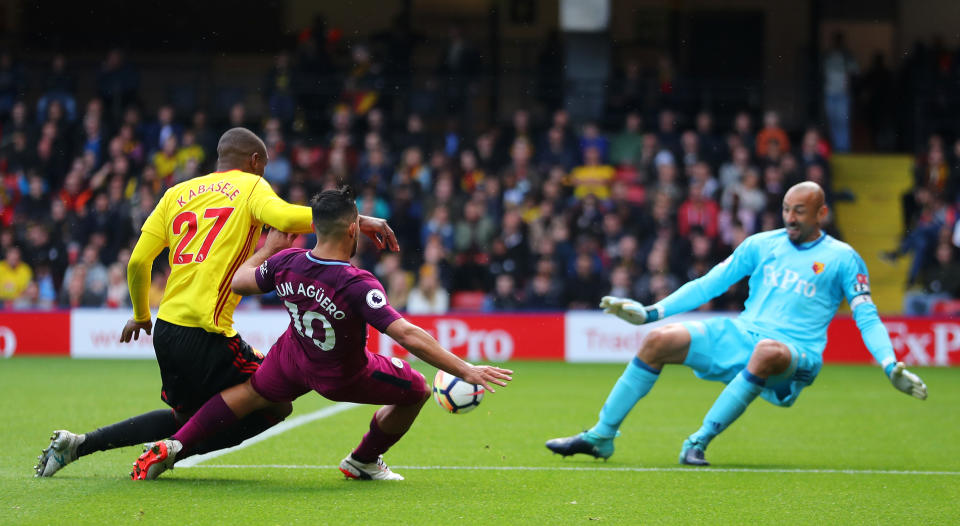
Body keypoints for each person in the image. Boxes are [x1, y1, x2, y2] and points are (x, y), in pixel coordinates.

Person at [35, 128, 399, 477]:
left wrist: (140, 314)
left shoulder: (176, 193)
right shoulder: (251, 186)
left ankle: (79, 445)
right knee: (273, 399)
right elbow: (287, 218)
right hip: (207, 334)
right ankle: (172, 450)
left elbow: (137, 262)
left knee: (188, 418)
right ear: (255, 160)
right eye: (265, 166)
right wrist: (358, 220)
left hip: (167, 331)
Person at [131, 187, 512, 480]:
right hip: (341, 375)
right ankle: (362, 461)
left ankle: (174, 444)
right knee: (418, 390)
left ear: (314, 227)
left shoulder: (287, 262)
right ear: (352, 230)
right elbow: (408, 335)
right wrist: (465, 369)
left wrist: (267, 249)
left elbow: (241, 282)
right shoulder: (357, 283)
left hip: (292, 359)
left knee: (248, 394)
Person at [546, 181, 927, 466]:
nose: (790, 218)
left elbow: (867, 315)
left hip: (797, 353)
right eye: (786, 209)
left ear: (821, 214)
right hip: (743, 334)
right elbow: (710, 283)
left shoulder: (844, 259)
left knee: (766, 351)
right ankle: (600, 436)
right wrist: (651, 313)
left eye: (799, 211)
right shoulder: (761, 244)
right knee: (657, 341)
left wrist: (889, 363)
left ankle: (697, 442)